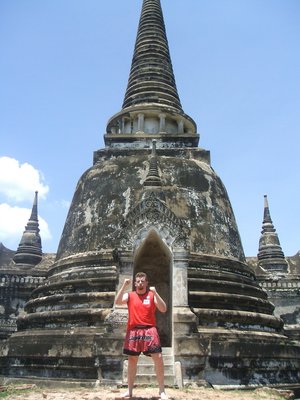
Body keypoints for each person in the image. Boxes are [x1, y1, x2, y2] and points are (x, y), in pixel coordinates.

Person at [115, 272, 168, 399]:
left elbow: (164, 309)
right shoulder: (130, 295)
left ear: (146, 282)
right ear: (135, 283)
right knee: (132, 360)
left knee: (158, 357)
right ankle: (129, 391)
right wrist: (123, 286)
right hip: (133, 330)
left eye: (142, 281)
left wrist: (155, 293)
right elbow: (117, 302)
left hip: (149, 329)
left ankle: (162, 391)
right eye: (138, 281)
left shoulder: (151, 295)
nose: (140, 283)